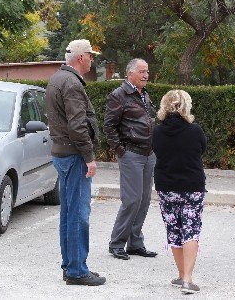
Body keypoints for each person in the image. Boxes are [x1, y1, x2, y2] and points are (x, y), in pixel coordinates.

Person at [46, 39, 106, 286]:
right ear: (81, 57)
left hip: (64, 154)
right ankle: (77, 270)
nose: (93, 60)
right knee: (78, 214)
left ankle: (71, 266)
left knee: (69, 213)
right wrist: (89, 157)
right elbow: (78, 125)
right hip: (73, 155)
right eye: (91, 56)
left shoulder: (58, 78)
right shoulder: (71, 83)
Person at [152, 90, 207, 295]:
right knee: (191, 231)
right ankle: (188, 279)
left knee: (174, 231)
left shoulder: (157, 132)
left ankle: (181, 274)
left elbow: (156, 151)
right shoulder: (195, 130)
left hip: (166, 187)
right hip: (192, 186)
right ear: (186, 106)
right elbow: (202, 149)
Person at [103, 58, 157, 260]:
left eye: (147, 71)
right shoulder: (119, 95)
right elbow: (109, 126)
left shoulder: (144, 95)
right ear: (130, 73)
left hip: (148, 154)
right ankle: (117, 243)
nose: (146, 75)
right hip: (131, 154)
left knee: (144, 200)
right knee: (132, 200)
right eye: (142, 71)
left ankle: (135, 243)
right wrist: (120, 150)